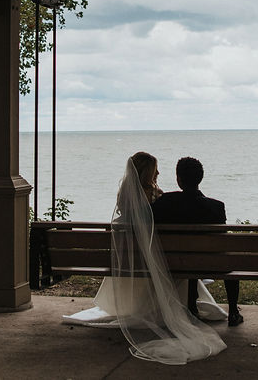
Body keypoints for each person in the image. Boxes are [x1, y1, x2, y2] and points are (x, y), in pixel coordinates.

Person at [62, 151, 226, 364]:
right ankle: (185, 306)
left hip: (135, 259)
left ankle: (179, 306)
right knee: (178, 264)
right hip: (167, 260)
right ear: (148, 172)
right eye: (155, 169)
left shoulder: (142, 197)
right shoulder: (163, 199)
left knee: (171, 261)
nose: (158, 172)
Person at [151, 156, 244, 327]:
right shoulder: (216, 207)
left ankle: (192, 306)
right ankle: (233, 312)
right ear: (200, 178)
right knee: (226, 259)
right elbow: (220, 241)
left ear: (178, 179)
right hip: (209, 263)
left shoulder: (164, 203)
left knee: (189, 254)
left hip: (172, 262)